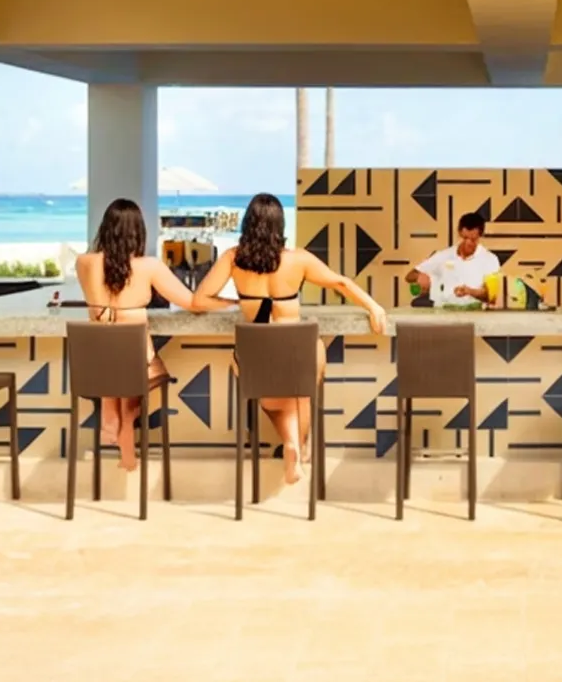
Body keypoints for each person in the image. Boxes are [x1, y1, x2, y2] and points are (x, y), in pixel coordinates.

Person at [193, 193, 388, 485]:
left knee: (272, 401)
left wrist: (235, 304)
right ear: (280, 225)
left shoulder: (232, 258)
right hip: (299, 349)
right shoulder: (298, 260)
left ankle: (292, 442)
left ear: (248, 223)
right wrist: (373, 306)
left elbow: (199, 300)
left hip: (257, 350)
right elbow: (340, 282)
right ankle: (299, 445)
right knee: (302, 393)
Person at [76, 198, 207, 472]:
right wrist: (227, 301)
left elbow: (107, 282)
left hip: (94, 362)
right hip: (135, 361)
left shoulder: (84, 262)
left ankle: (111, 414)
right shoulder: (149, 266)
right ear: (138, 232)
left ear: (105, 229)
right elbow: (192, 303)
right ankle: (123, 420)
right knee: (141, 372)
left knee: (116, 356)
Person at [407, 211, 501, 306]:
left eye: (473, 239)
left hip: (475, 315)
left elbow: (491, 297)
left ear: (480, 235)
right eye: (465, 238)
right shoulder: (443, 255)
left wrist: (470, 292)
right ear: (459, 232)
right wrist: (420, 276)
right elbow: (410, 276)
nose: (468, 243)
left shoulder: (490, 259)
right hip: (443, 314)